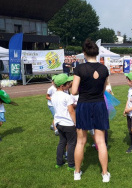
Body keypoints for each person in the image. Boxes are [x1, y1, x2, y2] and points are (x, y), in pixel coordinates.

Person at [71, 39, 110, 183]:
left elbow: (74, 91)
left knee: (81, 141)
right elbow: (104, 88)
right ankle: (105, 174)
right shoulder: (104, 69)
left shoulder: (80, 68)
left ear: (84, 52)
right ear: (97, 53)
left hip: (84, 105)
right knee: (101, 141)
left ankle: (77, 172)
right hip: (99, 104)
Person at [52, 74, 77, 170]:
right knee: (71, 143)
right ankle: (71, 164)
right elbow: (71, 111)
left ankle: (59, 162)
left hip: (58, 123)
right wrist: (76, 123)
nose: (69, 84)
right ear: (62, 86)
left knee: (62, 142)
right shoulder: (67, 96)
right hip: (68, 124)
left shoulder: (54, 95)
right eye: (68, 83)